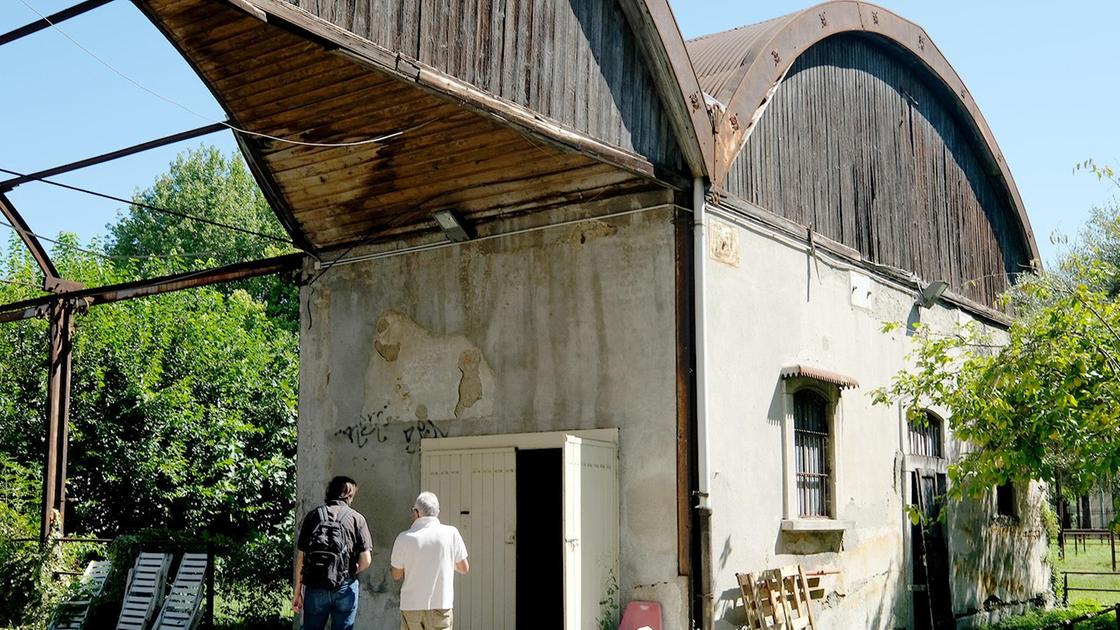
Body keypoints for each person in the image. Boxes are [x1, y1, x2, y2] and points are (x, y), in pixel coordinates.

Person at [292, 476, 373, 630]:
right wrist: (351, 570)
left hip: (315, 586)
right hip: (344, 586)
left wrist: (298, 591)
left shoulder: (313, 516)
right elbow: (366, 560)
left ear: (329, 492)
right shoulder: (357, 519)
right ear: (349, 496)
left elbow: (301, 557)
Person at [391, 491, 469, 630]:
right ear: (437, 512)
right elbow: (464, 568)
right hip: (441, 604)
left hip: (411, 605)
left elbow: (396, 575)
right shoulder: (451, 533)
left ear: (417, 512)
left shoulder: (403, 538)